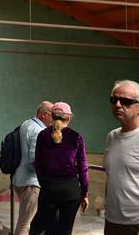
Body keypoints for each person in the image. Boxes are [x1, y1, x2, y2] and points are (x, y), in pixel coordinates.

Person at [30, 102, 89, 235]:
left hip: (49, 189)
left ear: (52, 116)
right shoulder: (76, 136)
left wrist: (44, 184)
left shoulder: (43, 135)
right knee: (65, 230)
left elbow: (38, 165)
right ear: (68, 118)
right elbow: (83, 167)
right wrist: (84, 193)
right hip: (71, 191)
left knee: (43, 227)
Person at [103, 80, 139, 235]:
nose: (117, 104)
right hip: (111, 221)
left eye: (125, 101)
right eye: (113, 100)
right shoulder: (111, 136)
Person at [12, 101, 53, 235]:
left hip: (20, 178)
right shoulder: (39, 131)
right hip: (31, 182)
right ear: (43, 114)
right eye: (51, 114)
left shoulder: (26, 124)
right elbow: (34, 159)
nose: (54, 119)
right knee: (25, 224)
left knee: (28, 221)